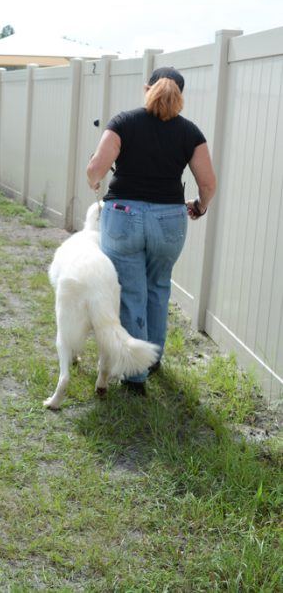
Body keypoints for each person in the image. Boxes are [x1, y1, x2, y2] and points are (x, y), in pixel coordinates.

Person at [86, 66, 217, 394]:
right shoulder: (191, 133)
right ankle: (153, 357)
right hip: (169, 219)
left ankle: (134, 376)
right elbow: (208, 183)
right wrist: (200, 205)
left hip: (123, 215)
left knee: (131, 293)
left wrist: (95, 181)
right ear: (180, 95)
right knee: (158, 286)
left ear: (148, 88)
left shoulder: (123, 122)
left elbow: (95, 169)